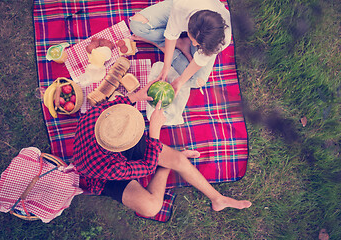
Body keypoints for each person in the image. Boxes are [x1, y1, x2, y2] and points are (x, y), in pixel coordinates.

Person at [73, 80, 251, 217]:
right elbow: (147, 167)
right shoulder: (111, 168)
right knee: (151, 207)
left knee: (179, 160)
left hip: (111, 146)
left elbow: (112, 105)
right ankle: (165, 168)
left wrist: (137, 96)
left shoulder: (96, 116)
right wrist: (154, 131)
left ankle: (217, 198)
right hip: (103, 177)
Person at [129, 0, 232, 96]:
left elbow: (200, 60)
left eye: (197, 44)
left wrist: (180, 81)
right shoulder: (181, 8)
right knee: (137, 25)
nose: (195, 45)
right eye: (193, 41)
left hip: (203, 32)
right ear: (187, 27)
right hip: (182, 7)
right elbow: (171, 35)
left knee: (197, 81)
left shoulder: (223, 39)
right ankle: (179, 43)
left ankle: (165, 45)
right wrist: (166, 66)